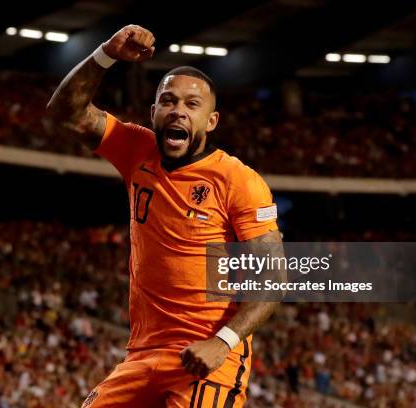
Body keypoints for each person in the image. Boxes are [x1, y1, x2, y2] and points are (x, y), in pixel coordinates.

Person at [47, 24, 284, 408]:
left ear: (211, 122)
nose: (178, 111)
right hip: (142, 354)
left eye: (192, 105)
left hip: (207, 357)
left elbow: (273, 279)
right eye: (169, 101)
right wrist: (106, 53)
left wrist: (222, 343)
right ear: (154, 111)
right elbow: (65, 112)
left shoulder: (238, 180)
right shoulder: (136, 148)